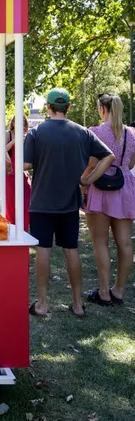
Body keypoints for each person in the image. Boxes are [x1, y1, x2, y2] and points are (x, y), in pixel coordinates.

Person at [24, 88, 114, 318]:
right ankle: (77, 304)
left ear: (48, 107)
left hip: (42, 202)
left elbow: (25, 165)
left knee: (43, 249)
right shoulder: (82, 132)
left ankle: (42, 304)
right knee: (70, 249)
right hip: (70, 202)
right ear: (69, 108)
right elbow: (109, 156)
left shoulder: (36, 133)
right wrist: (88, 179)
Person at [82, 93, 135, 306]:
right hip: (125, 188)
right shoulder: (132, 134)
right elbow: (130, 165)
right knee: (124, 243)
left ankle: (104, 291)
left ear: (103, 109)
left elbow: (91, 163)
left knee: (100, 242)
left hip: (101, 187)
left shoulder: (94, 132)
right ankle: (119, 290)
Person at [4, 116, 32, 231]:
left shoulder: (28, 136)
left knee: (26, 203)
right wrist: (16, 139)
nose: (21, 124)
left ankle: (23, 230)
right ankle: (12, 230)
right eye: (18, 121)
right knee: (11, 205)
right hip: (10, 172)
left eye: (23, 123)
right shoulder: (7, 134)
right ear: (13, 123)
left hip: (22, 172)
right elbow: (2, 149)